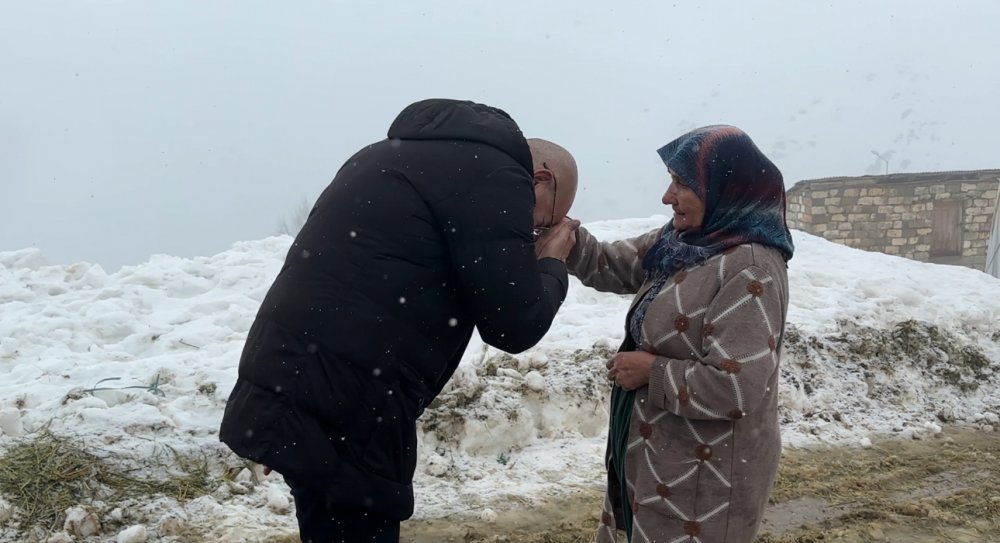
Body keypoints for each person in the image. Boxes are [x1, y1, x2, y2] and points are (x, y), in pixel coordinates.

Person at [218, 98, 579, 542]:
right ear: (541, 180)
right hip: (348, 403)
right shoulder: (498, 176)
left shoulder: (382, 155)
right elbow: (515, 325)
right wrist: (552, 261)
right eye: (541, 223)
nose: (533, 234)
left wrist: (292, 408)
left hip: (295, 376)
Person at [558, 125, 794, 542]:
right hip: (653, 456)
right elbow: (612, 264)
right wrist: (562, 233)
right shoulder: (683, 242)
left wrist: (651, 371)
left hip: (705, 479)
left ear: (722, 190)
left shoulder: (749, 269)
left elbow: (736, 387)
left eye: (682, 184)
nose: (667, 197)